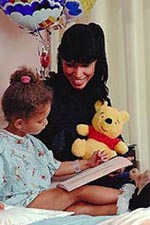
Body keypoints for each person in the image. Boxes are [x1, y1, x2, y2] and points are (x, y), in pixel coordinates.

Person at [0, 66, 121, 216]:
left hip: (39, 196)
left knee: (77, 208)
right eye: (40, 121)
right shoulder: (2, 145)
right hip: (21, 202)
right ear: (19, 123)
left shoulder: (33, 142)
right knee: (79, 191)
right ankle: (134, 197)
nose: (46, 123)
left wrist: (88, 163)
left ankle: (127, 209)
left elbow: (54, 167)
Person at [36, 22, 134, 188]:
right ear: (61, 61)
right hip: (53, 180)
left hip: (92, 178)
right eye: (70, 65)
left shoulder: (99, 97)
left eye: (85, 66)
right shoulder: (44, 94)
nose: (78, 74)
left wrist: (116, 164)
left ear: (97, 63)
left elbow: (113, 140)